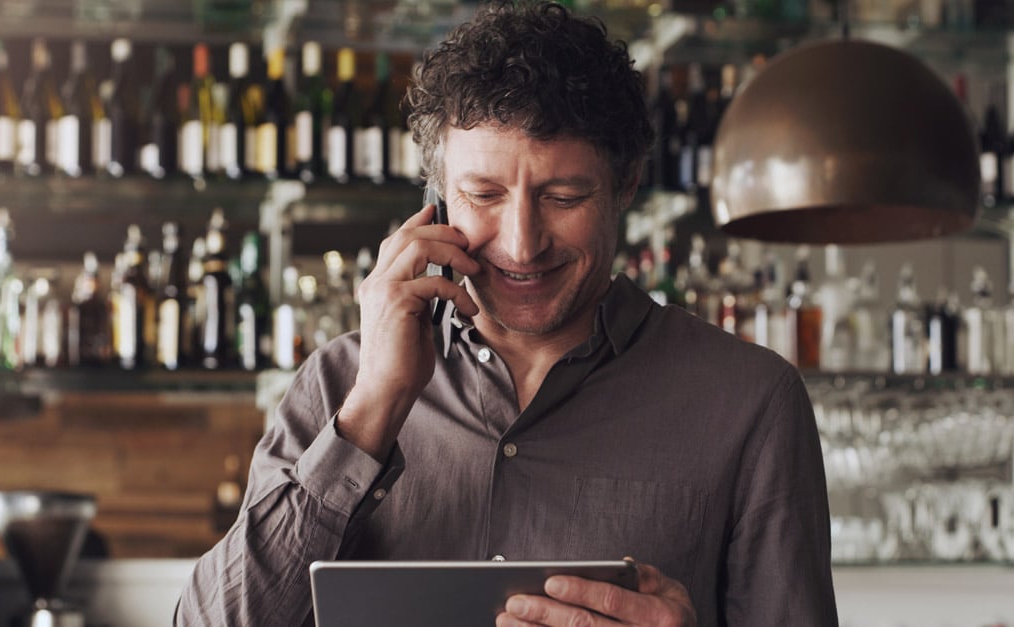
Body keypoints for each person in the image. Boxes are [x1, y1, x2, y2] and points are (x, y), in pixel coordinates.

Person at [177, 2, 838, 625]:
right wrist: (373, 407)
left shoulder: (753, 402)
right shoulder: (339, 383)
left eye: (563, 195)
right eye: (483, 194)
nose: (522, 243)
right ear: (437, 199)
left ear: (626, 184)